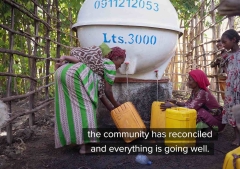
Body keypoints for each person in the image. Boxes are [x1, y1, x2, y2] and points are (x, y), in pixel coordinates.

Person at [54, 43, 126, 154]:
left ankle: (75, 141)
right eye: (120, 63)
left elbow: (100, 93)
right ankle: (85, 147)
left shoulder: (98, 64)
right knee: (86, 108)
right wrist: (117, 105)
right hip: (75, 74)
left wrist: (110, 108)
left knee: (68, 108)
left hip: (62, 71)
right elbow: (107, 91)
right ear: (115, 58)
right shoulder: (109, 65)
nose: (119, 67)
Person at [160, 69, 225, 132]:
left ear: (197, 81)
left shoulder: (202, 93)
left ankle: (202, 130)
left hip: (218, 124)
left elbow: (190, 108)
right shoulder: (195, 91)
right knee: (196, 111)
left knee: (197, 112)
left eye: (190, 80)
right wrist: (175, 102)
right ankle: (201, 129)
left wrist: (172, 106)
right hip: (212, 118)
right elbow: (187, 104)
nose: (188, 82)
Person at [220, 29, 240, 146]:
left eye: (225, 42)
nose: (223, 44)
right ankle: (237, 137)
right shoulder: (226, 56)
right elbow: (225, 69)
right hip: (231, 88)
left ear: (233, 40)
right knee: (233, 111)